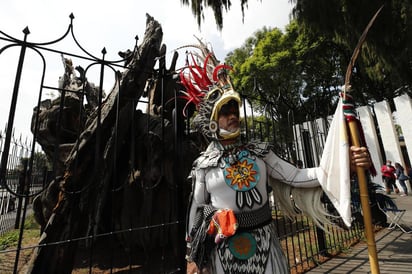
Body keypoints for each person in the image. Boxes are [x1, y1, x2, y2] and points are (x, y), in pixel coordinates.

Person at [181, 60, 371, 274]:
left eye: (235, 109)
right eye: (225, 112)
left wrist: (344, 163)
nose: (233, 115)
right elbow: (196, 209)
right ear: (213, 119)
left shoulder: (260, 152)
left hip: (266, 243)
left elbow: (297, 177)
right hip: (222, 250)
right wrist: (193, 257)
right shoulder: (203, 165)